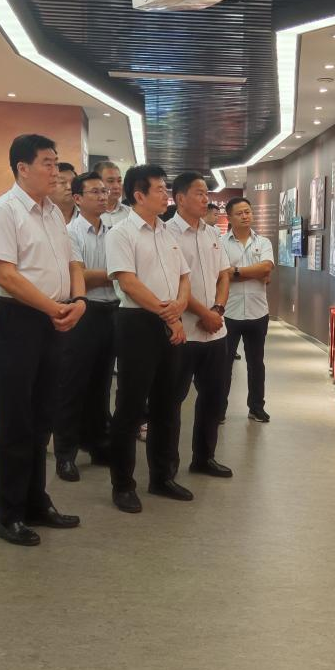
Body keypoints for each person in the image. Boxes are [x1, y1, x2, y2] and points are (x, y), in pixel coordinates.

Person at [0, 133, 84, 546]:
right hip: (17, 321)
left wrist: (77, 301)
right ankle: (9, 514)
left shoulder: (53, 213)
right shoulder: (3, 211)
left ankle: (37, 502)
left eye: (57, 163)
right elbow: (5, 275)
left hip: (54, 319)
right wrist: (53, 307)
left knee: (43, 417)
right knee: (15, 421)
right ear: (22, 168)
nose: (56, 172)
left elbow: (73, 261)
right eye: (48, 163)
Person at [105, 164, 193, 513]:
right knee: (130, 406)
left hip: (169, 319)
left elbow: (184, 276)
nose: (165, 195)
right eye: (159, 189)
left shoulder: (167, 232)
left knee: (167, 403)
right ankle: (122, 484)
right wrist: (169, 315)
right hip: (137, 322)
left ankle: (162, 476)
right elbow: (128, 282)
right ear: (138, 195)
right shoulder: (121, 233)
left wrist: (180, 306)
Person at [54, 171, 118, 481]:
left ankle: (97, 443)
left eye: (105, 191)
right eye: (95, 192)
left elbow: (119, 273)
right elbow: (78, 276)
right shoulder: (70, 233)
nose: (103, 196)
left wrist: (108, 274)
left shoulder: (114, 231)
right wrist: (116, 273)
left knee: (101, 384)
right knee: (72, 384)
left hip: (111, 311)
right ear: (78, 198)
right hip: (82, 312)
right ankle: (65, 453)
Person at [168, 172, 233, 477]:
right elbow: (174, 284)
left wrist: (217, 309)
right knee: (172, 401)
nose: (206, 199)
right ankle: (167, 468)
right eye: (199, 193)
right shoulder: (166, 234)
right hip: (184, 331)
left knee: (213, 397)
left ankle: (204, 458)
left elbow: (224, 275)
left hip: (216, 331)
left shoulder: (212, 234)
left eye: (207, 193)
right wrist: (204, 314)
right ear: (180, 198)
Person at [223, 196, 274, 423]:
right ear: (229, 217)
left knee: (256, 364)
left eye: (248, 212)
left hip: (257, 312)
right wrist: (254, 273)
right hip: (228, 312)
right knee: (223, 365)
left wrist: (235, 272)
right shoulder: (221, 243)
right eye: (239, 213)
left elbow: (266, 268)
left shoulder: (263, 242)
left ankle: (256, 407)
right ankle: (219, 408)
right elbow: (220, 274)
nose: (245, 216)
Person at [97, 160, 130, 229]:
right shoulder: (90, 214)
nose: (117, 186)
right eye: (111, 181)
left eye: (119, 181)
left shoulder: (130, 213)